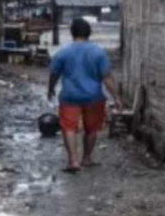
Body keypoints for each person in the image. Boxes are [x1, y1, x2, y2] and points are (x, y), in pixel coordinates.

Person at [48, 17, 121, 173]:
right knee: (92, 128)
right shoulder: (98, 52)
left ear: (72, 33)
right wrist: (116, 97)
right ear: (89, 33)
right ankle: (86, 158)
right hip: (93, 96)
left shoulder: (63, 52)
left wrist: (50, 88)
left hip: (70, 96)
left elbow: (54, 74)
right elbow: (106, 77)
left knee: (69, 127)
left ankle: (73, 161)